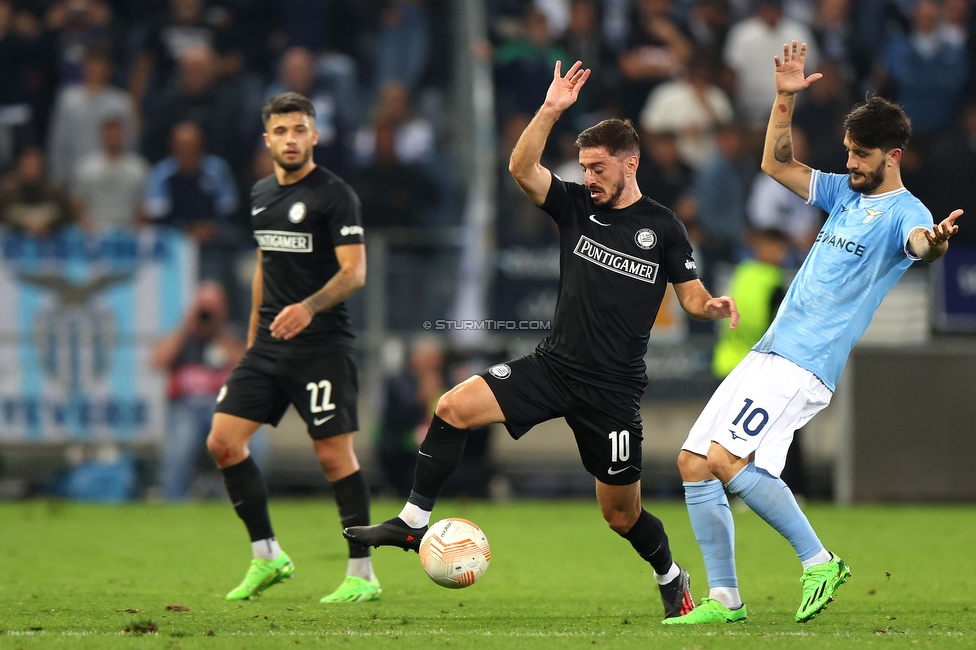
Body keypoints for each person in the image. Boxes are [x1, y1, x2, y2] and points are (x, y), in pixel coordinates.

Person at [344, 60, 739, 621]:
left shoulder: (663, 227)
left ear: (631, 163)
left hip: (612, 392)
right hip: (553, 367)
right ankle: (412, 523)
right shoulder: (576, 205)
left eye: (599, 168)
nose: (590, 177)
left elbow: (692, 297)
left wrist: (712, 305)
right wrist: (552, 108)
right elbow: (521, 167)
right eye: (584, 167)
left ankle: (671, 576)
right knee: (452, 406)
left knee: (621, 516)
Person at [666, 41, 962, 626]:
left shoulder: (907, 211)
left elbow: (921, 247)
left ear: (893, 155)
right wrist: (783, 99)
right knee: (694, 461)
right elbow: (776, 165)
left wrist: (938, 242)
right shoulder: (842, 195)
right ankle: (725, 600)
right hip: (770, 350)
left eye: (861, 156)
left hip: (805, 360)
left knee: (727, 459)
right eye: (848, 153)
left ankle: (819, 560)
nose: (850, 163)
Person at [205, 92, 377, 603]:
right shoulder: (259, 193)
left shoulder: (335, 194)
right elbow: (265, 264)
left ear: (315, 135)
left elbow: (355, 272)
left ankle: (362, 575)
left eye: (299, 129)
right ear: (268, 140)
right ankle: (267, 556)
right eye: (280, 132)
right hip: (270, 346)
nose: (290, 139)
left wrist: (308, 306)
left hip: (323, 345)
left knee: (333, 456)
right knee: (223, 442)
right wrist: (255, 339)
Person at [152, 281, 268, 501]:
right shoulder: (182, 337)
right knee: (180, 444)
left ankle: (245, 501)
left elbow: (250, 365)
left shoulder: (232, 333)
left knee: (257, 443)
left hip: (227, 410)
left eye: (211, 309)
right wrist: (187, 326)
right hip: (188, 409)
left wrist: (218, 332)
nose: (206, 315)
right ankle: (173, 502)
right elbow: (158, 361)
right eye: (203, 308)